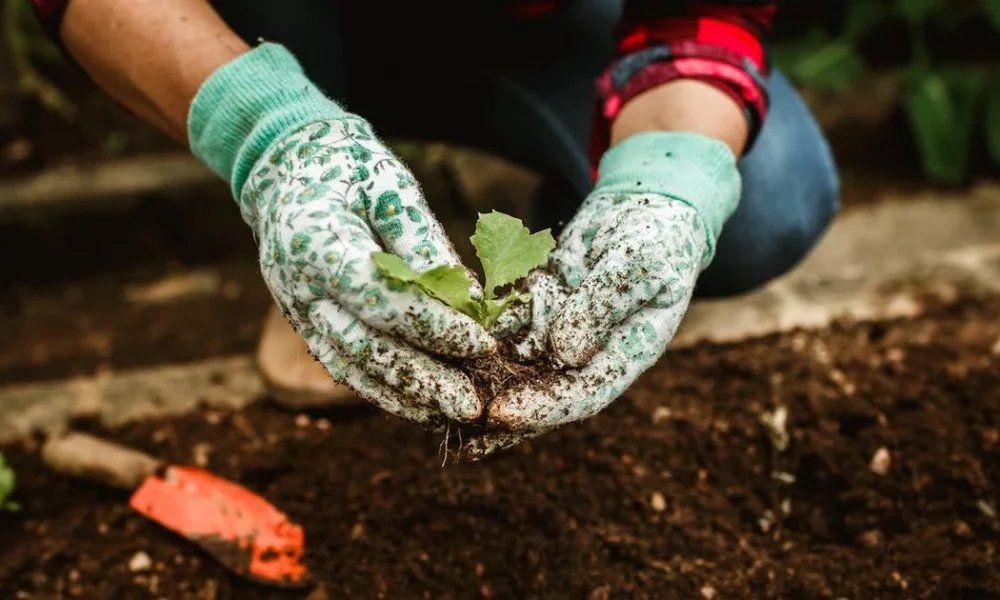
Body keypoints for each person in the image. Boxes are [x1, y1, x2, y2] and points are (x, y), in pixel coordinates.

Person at [30, 0, 838, 455]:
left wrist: (668, 180)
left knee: (762, 203)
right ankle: (324, 236)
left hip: (526, 25)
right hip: (270, 19)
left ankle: (551, 282)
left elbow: (703, 14)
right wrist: (268, 137)